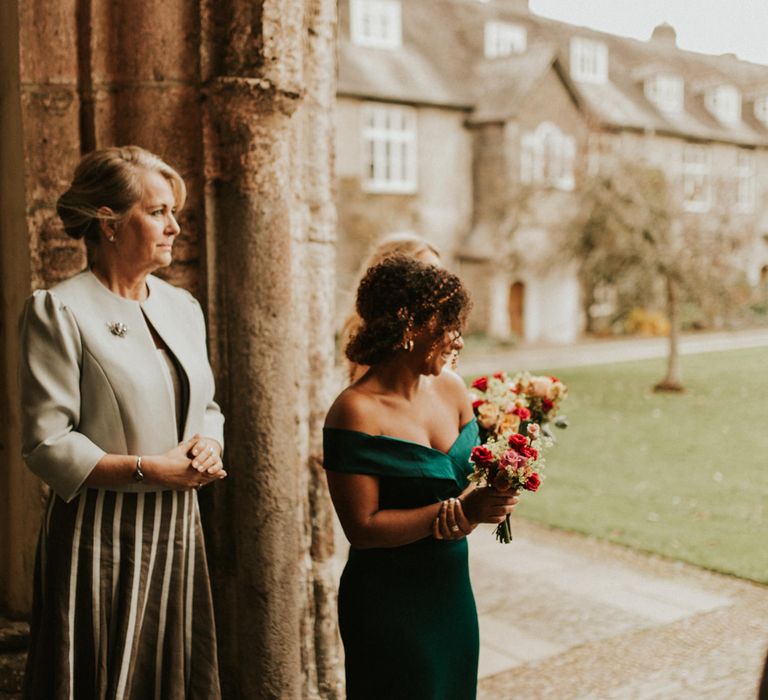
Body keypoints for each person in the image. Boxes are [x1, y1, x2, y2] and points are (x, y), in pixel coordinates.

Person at [19, 146, 225, 698]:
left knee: (170, 673)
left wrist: (209, 444)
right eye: (157, 212)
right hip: (98, 536)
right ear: (108, 222)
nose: (174, 226)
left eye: (172, 212)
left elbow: (205, 405)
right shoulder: (58, 310)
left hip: (179, 529)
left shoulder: (184, 307)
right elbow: (46, 443)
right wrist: (150, 470)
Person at [323, 256, 519, 699]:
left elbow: (473, 473)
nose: (459, 340)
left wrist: (502, 485)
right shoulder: (355, 411)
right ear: (409, 323)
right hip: (389, 603)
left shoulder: (452, 389)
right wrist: (458, 512)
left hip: (451, 595)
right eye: (448, 325)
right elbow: (363, 528)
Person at [340, 233, 442, 383]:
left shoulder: (436, 334)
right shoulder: (375, 346)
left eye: (440, 274)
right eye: (426, 274)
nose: (438, 285)